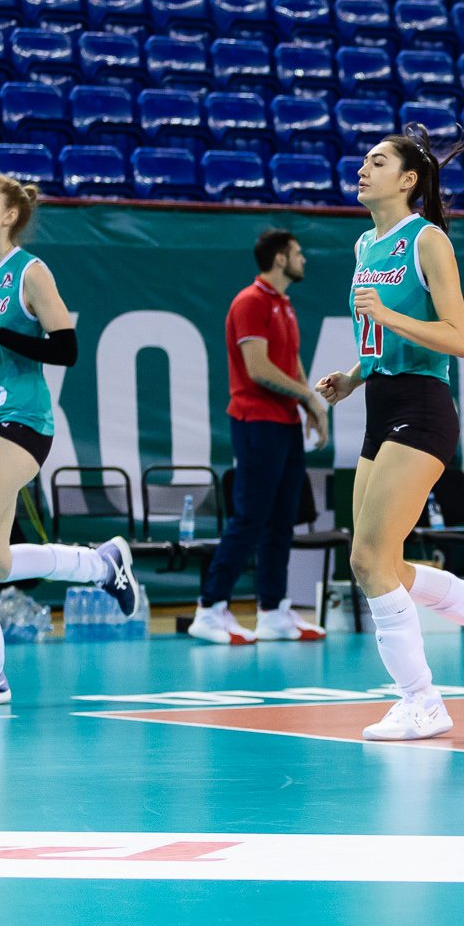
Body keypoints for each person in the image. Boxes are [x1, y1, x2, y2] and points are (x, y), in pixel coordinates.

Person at [313, 125, 464, 741]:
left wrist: (387, 315)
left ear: (408, 180)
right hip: (380, 402)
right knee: (380, 562)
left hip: (424, 406)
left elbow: (458, 339)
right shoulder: (366, 244)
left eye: (377, 162)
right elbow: (380, 338)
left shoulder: (427, 240)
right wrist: (355, 376)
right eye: (363, 160)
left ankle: (423, 701)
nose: (363, 169)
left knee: (367, 558)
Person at [0, 175, 140, 707]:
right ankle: (102, 565)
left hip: (23, 422)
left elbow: (66, 349)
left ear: (10, 215)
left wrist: (1, 335)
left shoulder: (30, 272)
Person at [190, 229, 332, 646]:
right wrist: (308, 396)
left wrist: (309, 408)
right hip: (256, 422)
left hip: (285, 424)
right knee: (251, 517)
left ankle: (272, 612)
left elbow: (291, 362)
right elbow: (258, 368)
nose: (304, 259)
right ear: (280, 258)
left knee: (281, 520)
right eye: (298, 253)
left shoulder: (283, 304)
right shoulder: (250, 301)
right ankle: (209, 608)